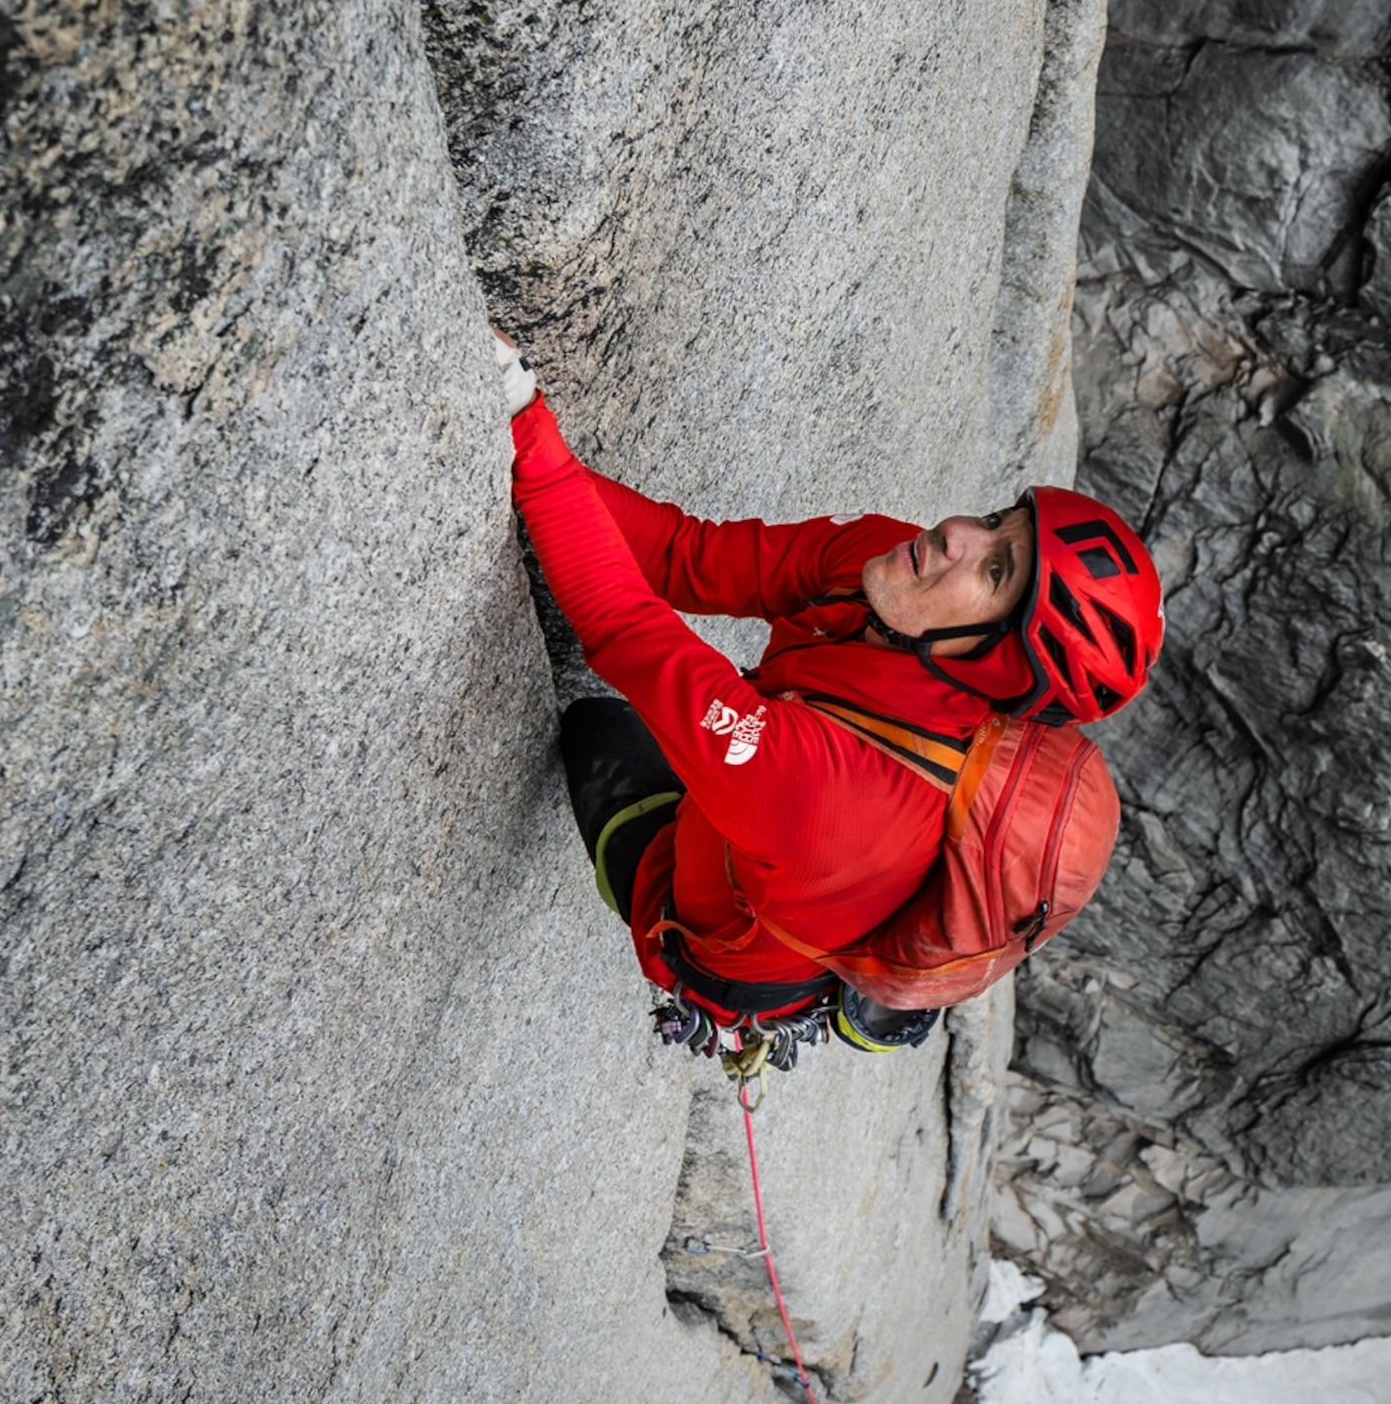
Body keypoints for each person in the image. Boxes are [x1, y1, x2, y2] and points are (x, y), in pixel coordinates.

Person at [494, 327, 1164, 1070]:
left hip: (732, 939)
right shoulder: (887, 569)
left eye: (995, 569)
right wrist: (525, 435)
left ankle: (721, 993)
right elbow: (688, 555)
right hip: (779, 822)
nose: (958, 534)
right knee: (687, 742)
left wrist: (524, 419)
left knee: (596, 728)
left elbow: (626, 628)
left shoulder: (832, 791)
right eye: (999, 519)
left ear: (1003, 668)